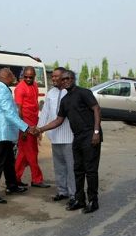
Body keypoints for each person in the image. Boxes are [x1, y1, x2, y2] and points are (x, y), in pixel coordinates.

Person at [35, 70, 102, 214]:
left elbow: (96, 109)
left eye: (68, 78)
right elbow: (58, 120)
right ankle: (79, 199)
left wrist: (96, 132)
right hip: (77, 137)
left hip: (90, 135)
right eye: (63, 79)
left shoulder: (84, 92)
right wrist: (41, 129)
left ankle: (93, 201)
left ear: (73, 79)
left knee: (90, 170)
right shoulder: (65, 100)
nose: (66, 81)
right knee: (77, 169)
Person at [0, 67, 36, 204]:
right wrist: (25, 127)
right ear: (6, 76)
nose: (14, 77)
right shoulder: (2, 90)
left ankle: (12, 185)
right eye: (12, 75)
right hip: (1, 133)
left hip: (4, 132)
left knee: (9, 162)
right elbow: (10, 113)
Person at [38, 67, 76, 203]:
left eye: (56, 76)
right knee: (59, 167)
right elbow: (45, 113)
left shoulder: (71, 92)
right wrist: (39, 130)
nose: (53, 78)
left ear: (64, 77)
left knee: (71, 168)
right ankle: (62, 191)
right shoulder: (51, 93)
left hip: (70, 137)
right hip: (54, 137)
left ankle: (74, 195)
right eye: (52, 76)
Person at [14, 66, 50, 188]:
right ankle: (37, 179)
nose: (28, 79)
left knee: (24, 154)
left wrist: (38, 125)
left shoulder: (35, 85)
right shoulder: (20, 88)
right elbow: (19, 110)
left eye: (31, 77)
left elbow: (34, 105)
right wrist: (23, 128)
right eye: (26, 77)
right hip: (25, 125)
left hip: (34, 123)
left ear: (34, 76)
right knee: (31, 153)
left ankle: (15, 178)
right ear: (23, 75)